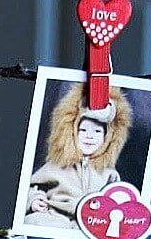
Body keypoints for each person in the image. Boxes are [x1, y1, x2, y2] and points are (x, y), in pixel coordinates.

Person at [25, 84, 132, 230]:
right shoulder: (56, 165)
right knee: (34, 221)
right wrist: (35, 199)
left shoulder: (109, 174)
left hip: (91, 222)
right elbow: (32, 186)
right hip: (56, 215)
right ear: (73, 132)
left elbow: (117, 200)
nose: (89, 136)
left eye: (97, 131)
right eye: (83, 130)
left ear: (107, 137)